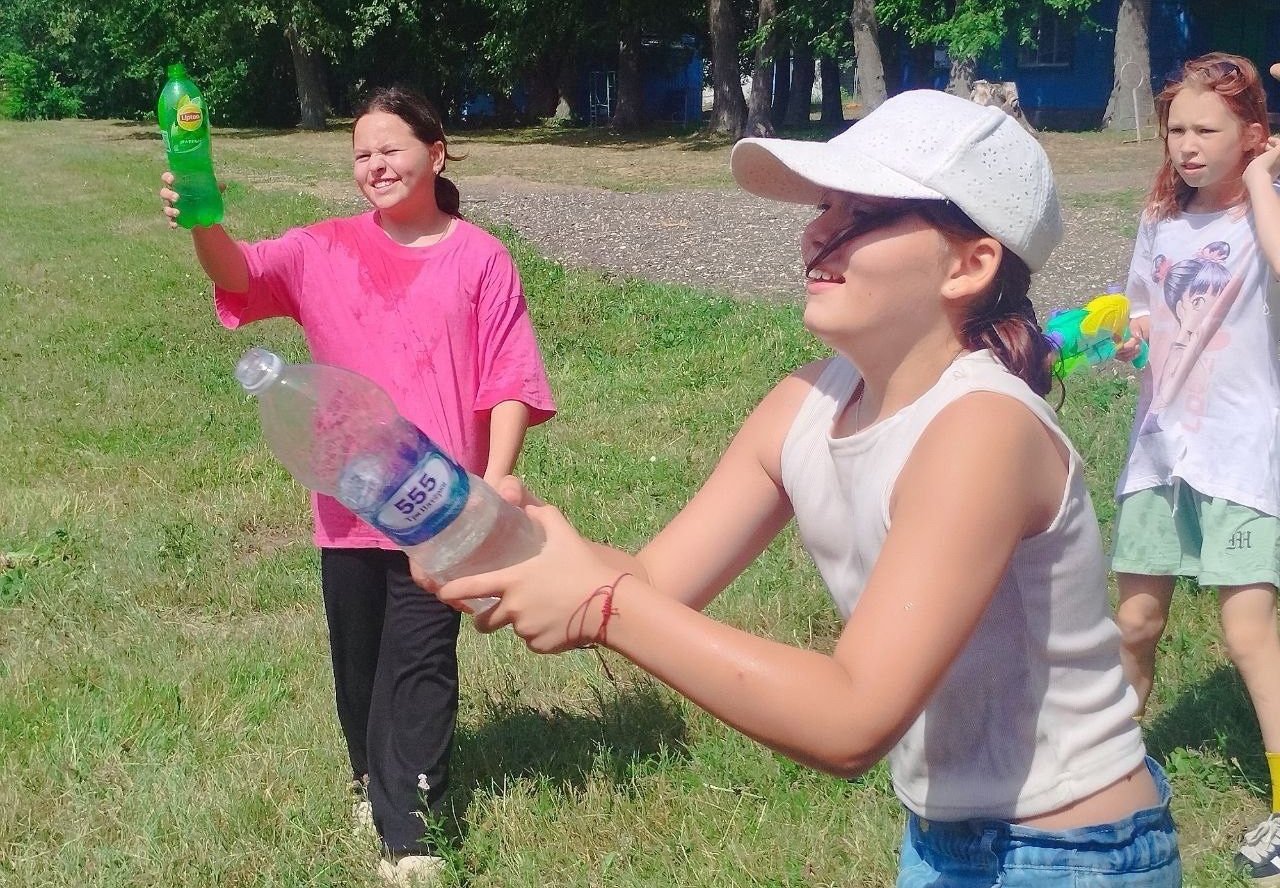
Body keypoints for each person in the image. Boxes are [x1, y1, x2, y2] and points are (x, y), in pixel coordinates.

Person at [429, 89, 1182, 886]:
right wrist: (508, 543)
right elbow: (658, 581)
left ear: (971, 263)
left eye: (860, 214)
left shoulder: (982, 430)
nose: (817, 231)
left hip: (1071, 857)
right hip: (941, 841)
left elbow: (851, 719)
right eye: (826, 205)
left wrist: (603, 604)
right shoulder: (809, 401)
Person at [159, 86, 556, 885]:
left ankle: (410, 835)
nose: (375, 165)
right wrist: (203, 215)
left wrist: (499, 475)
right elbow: (238, 271)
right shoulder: (323, 249)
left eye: (391, 148)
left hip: (441, 507)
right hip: (346, 502)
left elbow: (508, 375)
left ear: (435, 154)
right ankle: (366, 778)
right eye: (361, 154)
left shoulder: (481, 257)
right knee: (360, 661)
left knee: (420, 660)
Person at [1109, 52, 1280, 883]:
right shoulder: (1160, 218)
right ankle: (1104, 772)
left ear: (1255, 137)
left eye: (1207, 130)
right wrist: (1129, 330)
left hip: (1243, 455)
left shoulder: (1266, 216)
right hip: (1159, 450)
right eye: (1176, 127)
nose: (1185, 145)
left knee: (1249, 634)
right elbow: (1142, 300)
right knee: (1136, 625)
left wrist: (1263, 185)